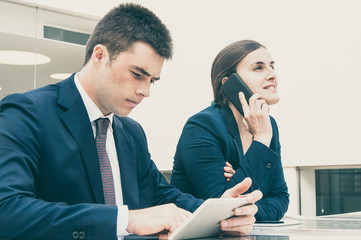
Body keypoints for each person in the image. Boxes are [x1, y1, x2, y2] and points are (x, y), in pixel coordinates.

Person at [0, 5, 262, 240]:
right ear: (99, 56)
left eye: (152, 81)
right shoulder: (26, 113)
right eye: (138, 74)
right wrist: (127, 219)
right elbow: (7, 210)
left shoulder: (131, 133)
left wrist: (218, 212)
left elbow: (162, 196)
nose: (145, 91)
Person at [171, 40, 289, 221]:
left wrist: (251, 208)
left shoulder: (268, 124)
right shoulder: (202, 126)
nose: (272, 74)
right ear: (229, 83)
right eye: (258, 68)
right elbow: (223, 208)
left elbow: (281, 198)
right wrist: (261, 139)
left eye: (271, 66)